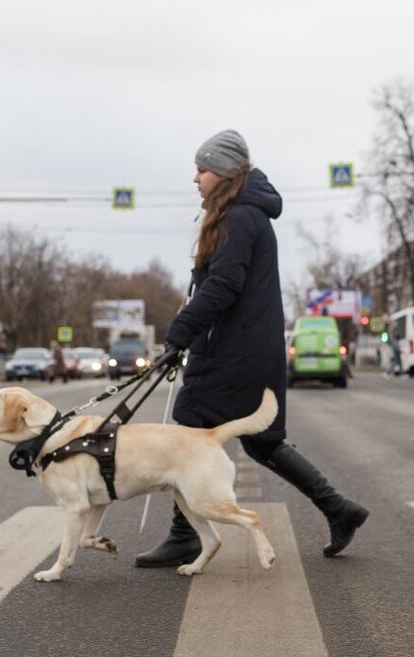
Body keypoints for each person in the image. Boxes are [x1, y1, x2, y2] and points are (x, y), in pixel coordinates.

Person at [136, 130, 368, 568]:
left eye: (201, 169)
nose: (195, 178)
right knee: (264, 442)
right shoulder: (243, 215)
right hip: (244, 350)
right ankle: (339, 510)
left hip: (233, 353)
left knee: (189, 430)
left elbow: (224, 286)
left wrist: (182, 331)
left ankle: (185, 535)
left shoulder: (239, 218)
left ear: (223, 174)